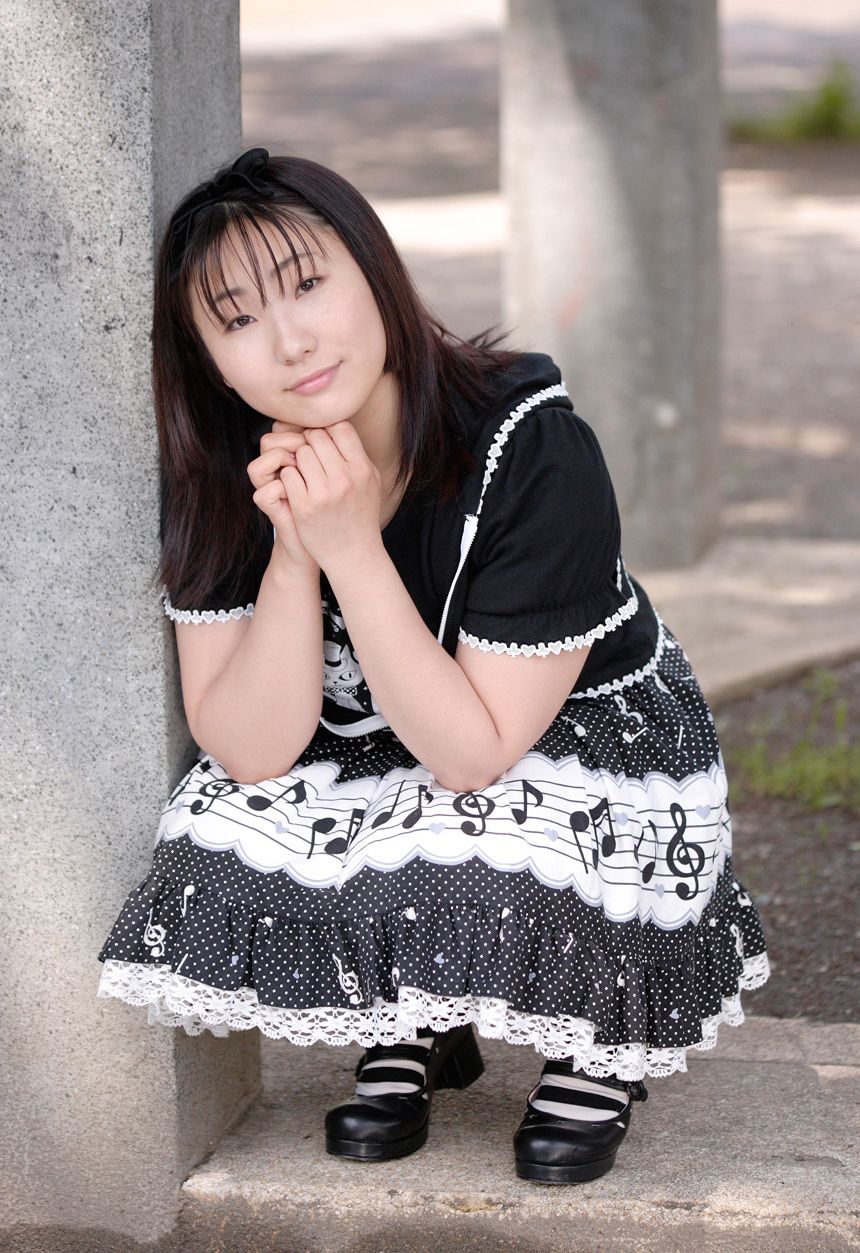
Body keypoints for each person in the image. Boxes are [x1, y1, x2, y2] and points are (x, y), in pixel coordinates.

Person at [96, 146, 771, 1185]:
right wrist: (296, 549)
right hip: (383, 729)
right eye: (236, 320)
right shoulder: (229, 470)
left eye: (307, 283)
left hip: (565, 733)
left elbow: (473, 751)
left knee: (504, 839)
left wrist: (355, 548)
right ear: (209, 360)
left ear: (377, 271)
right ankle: (418, 1014)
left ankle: (596, 1041)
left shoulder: (532, 448)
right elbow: (249, 747)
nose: (288, 340)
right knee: (211, 832)